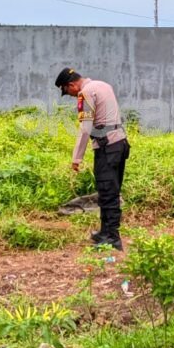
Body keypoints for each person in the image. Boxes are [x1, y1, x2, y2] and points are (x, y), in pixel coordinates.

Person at [55, 67, 131, 250]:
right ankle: (105, 233)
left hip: (107, 148)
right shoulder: (103, 85)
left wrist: (76, 158)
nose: (72, 96)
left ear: (71, 84)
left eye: (68, 91)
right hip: (119, 144)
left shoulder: (85, 93)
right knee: (110, 191)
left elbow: (85, 128)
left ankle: (112, 238)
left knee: (107, 193)